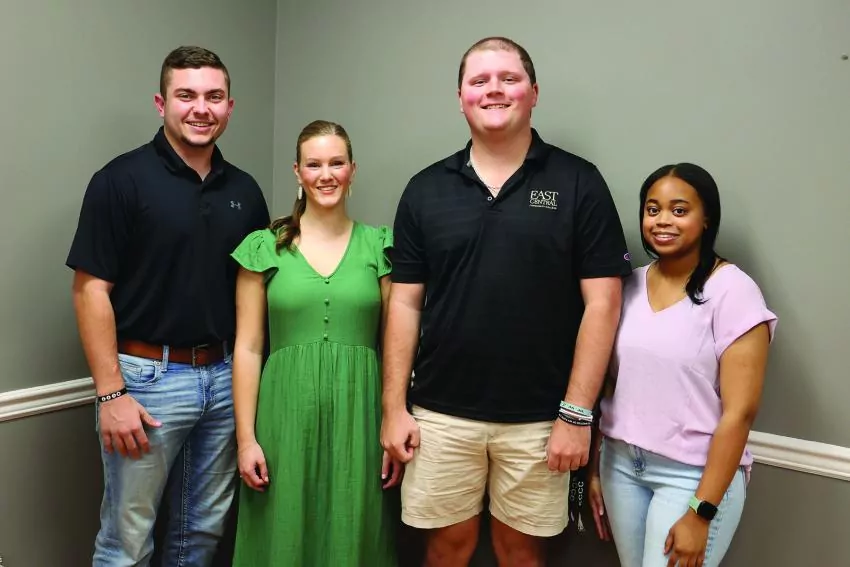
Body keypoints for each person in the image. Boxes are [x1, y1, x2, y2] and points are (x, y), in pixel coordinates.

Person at [381, 36, 632, 566]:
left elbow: (604, 305)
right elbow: (404, 305)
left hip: (541, 419)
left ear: (533, 92)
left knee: (521, 555)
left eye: (508, 78)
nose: (493, 89)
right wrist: (393, 408)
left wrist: (576, 416)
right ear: (461, 98)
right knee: (445, 550)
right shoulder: (425, 190)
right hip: (440, 414)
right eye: (479, 81)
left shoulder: (579, 183)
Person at [66, 46, 270, 566]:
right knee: (127, 539)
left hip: (223, 379)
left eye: (214, 97)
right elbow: (90, 290)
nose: (201, 108)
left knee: (199, 534)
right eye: (186, 95)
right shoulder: (120, 180)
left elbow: (255, 295)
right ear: (162, 104)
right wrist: (112, 393)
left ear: (229, 107)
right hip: (145, 383)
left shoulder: (245, 192)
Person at [229, 119, 401, 566]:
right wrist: (246, 440)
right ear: (297, 172)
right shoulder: (264, 247)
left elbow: (395, 347)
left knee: (354, 527)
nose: (326, 175)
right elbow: (248, 348)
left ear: (352, 170)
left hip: (361, 416)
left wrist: (393, 422)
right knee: (283, 531)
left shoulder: (379, 246)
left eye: (336, 163)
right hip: (283, 415)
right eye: (314, 164)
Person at [587, 163, 777, 567]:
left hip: (691, 476)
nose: (662, 221)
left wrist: (701, 512)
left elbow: (740, 413)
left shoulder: (733, 291)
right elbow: (611, 386)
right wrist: (595, 469)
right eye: (652, 209)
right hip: (621, 465)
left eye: (679, 210)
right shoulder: (629, 284)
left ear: (706, 218)